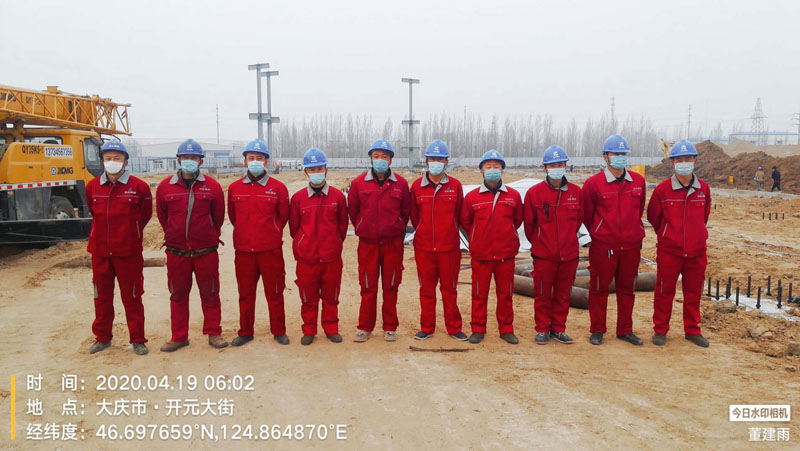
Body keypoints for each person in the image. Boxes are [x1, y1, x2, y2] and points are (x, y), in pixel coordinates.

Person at [156, 139, 227, 352]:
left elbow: (218, 216)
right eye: (185, 157)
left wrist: (208, 235)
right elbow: (163, 216)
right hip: (177, 253)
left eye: (193, 158)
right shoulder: (165, 187)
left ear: (200, 161)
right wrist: (175, 235)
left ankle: (214, 333)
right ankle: (179, 336)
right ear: (178, 160)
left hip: (206, 252)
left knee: (211, 293)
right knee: (177, 295)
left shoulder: (212, 187)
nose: (189, 161)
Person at [85, 140, 152, 355]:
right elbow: (93, 212)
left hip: (128, 253)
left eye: (117, 158)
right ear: (102, 161)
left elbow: (145, 215)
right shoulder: (92, 187)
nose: (112, 162)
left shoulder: (139, 187)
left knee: (132, 297)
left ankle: (138, 339)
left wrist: (130, 234)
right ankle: (102, 337)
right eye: (108, 158)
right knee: (102, 298)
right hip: (100, 253)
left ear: (125, 161)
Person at [581, 135, 646, 346]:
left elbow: (639, 209)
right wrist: (601, 232)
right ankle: (597, 329)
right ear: (605, 157)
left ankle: (625, 330)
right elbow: (587, 215)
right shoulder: (593, 184)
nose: (619, 157)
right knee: (599, 289)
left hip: (631, 246)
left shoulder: (638, 182)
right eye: (615, 154)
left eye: (623, 154)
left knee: (627, 289)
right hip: (604, 246)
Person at [647, 140, 711, 347]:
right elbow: (654, 217)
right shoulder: (662, 190)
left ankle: (692, 331)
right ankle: (660, 330)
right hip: (670, 251)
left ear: (695, 162)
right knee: (664, 292)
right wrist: (668, 235)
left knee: (693, 293)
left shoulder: (703, 189)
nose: (684, 163)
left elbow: (704, 217)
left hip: (696, 252)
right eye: (680, 160)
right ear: (673, 163)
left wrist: (695, 235)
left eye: (688, 159)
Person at [227, 139, 290, 347]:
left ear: (266, 162)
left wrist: (270, 233)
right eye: (251, 158)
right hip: (244, 251)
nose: (255, 161)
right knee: (245, 294)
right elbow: (233, 216)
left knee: (275, 292)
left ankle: (279, 331)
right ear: (245, 161)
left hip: (270, 251)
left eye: (259, 158)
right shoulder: (235, 188)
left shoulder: (278, 188)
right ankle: (245, 331)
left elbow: (282, 217)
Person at [347, 139, 411, 343]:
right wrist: (363, 227)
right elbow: (353, 211)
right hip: (368, 243)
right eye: (376, 156)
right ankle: (365, 327)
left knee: (391, 285)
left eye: (384, 156)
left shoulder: (401, 184)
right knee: (368, 286)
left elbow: (406, 212)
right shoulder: (358, 184)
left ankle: (390, 327)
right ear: (370, 159)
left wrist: (396, 227)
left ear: (390, 160)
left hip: (393, 244)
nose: (380, 160)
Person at [461, 149, 523, 345]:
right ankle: (478, 329)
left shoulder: (513, 196)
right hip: (482, 255)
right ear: (481, 171)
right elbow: (466, 222)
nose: (492, 170)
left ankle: (506, 329)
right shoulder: (472, 197)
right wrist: (479, 237)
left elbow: (517, 220)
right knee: (479, 294)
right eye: (488, 167)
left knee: (505, 294)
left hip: (505, 254)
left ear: (502, 170)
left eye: (496, 167)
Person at [523, 145, 582, 345]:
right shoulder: (534, 193)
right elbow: (529, 225)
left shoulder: (576, 192)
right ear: (544, 168)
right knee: (542, 293)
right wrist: (541, 243)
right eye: (553, 165)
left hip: (569, 254)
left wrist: (567, 239)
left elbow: (579, 220)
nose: (557, 168)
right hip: (544, 255)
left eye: (560, 164)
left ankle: (558, 328)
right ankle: (542, 329)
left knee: (563, 294)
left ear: (566, 166)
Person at [289, 148, 349, 346]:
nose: (316, 172)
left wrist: (333, 243)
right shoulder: (298, 199)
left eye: (319, 168)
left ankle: (331, 328)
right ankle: (309, 330)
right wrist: (304, 244)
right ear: (305, 172)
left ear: (326, 170)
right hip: (307, 259)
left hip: (331, 258)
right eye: (312, 169)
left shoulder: (337, 197)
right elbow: (294, 228)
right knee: (308, 297)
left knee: (331, 296)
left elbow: (342, 227)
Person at [410, 140, 466, 341]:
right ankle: (427, 327)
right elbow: (414, 217)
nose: (436, 162)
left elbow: (460, 216)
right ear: (426, 161)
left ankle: (454, 327)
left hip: (449, 249)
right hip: (424, 249)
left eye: (440, 159)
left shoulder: (455, 186)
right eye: (432, 159)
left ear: (446, 162)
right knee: (426, 290)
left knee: (449, 290)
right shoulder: (416, 187)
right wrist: (424, 233)